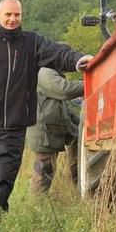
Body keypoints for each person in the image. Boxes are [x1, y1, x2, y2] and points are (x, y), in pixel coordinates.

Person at [0, 0, 91, 230]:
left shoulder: (33, 43)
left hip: (14, 127)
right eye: (8, 14)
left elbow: (58, 53)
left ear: (21, 16)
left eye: (17, 15)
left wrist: (78, 60)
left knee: (1, 176)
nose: (12, 19)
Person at [25, 67, 84, 195]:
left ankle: (77, 190)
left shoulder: (50, 73)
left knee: (48, 166)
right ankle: (37, 204)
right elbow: (64, 90)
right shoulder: (45, 72)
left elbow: (62, 107)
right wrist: (90, 82)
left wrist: (79, 124)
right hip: (44, 131)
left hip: (52, 129)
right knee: (45, 167)